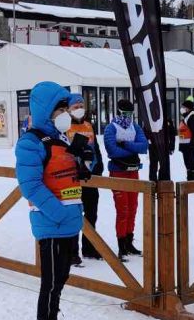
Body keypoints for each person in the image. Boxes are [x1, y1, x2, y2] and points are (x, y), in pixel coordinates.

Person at [15, 81, 87, 320]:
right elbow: (30, 186)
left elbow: (70, 176)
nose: (65, 113)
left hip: (69, 224)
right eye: (59, 108)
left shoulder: (64, 138)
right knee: (51, 285)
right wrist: (57, 214)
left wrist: (85, 162)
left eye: (65, 108)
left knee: (60, 281)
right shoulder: (30, 143)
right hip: (53, 225)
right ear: (46, 110)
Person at [103, 99, 149, 259]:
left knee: (133, 207)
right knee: (122, 209)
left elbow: (144, 146)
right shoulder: (111, 128)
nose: (128, 117)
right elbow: (112, 151)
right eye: (125, 114)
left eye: (131, 114)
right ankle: (121, 244)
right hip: (118, 172)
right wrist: (131, 147)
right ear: (119, 112)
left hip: (133, 171)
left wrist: (125, 145)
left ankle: (129, 241)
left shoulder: (134, 127)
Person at [66, 93, 105, 261]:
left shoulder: (89, 125)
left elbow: (95, 148)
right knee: (74, 214)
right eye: (75, 107)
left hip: (91, 175)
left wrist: (99, 166)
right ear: (68, 110)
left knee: (91, 213)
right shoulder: (64, 126)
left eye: (81, 106)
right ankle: (72, 251)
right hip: (73, 177)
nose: (79, 109)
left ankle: (89, 248)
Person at [145, 115, 176, 182]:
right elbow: (145, 131)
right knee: (153, 166)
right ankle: (153, 184)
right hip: (153, 146)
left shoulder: (166, 119)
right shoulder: (150, 118)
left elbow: (172, 133)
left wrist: (171, 146)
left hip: (164, 146)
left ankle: (162, 183)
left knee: (164, 165)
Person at [178, 96, 194, 180]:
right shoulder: (186, 116)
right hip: (185, 146)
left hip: (190, 145)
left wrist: (192, 143)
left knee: (191, 164)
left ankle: (193, 180)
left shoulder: (192, 117)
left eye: (183, 107)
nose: (182, 109)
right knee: (187, 164)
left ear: (188, 108)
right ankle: (189, 179)